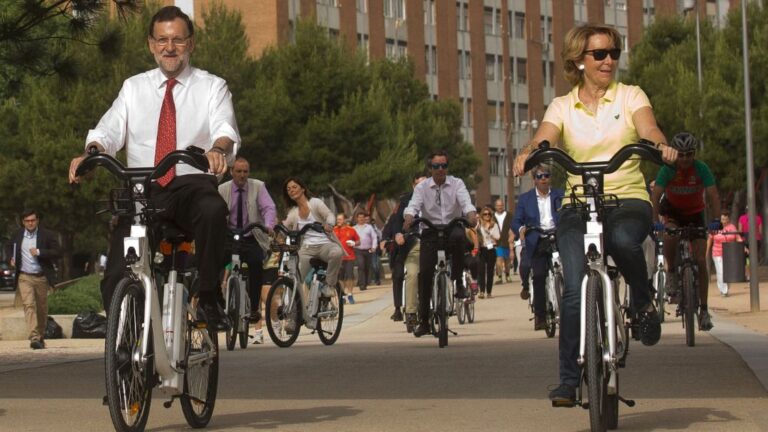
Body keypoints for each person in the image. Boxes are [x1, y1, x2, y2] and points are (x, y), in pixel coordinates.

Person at [512, 23, 677, 405]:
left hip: (627, 198)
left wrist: (660, 145)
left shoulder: (629, 96)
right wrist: (531, 151)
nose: (608, 61)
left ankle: (641, 299)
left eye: (613, 53)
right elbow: (546, 135)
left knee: (622, 240)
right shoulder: (562, 106)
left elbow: (648, 126)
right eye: (599, 54)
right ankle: (568, 380)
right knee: (572, 288)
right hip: (577, 204)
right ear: (579, 61)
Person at [68, 6, 239, 329]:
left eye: (177, 39)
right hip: (143, 192)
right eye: (162, 40)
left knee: (214, 210)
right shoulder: (134, 88)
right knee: (118, 273)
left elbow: (225, 129)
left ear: (191, 44)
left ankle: (208, 296)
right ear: (150, 44)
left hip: (191, 185)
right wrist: (92, 154)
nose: (169, 47)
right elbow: (109, 130)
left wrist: (218, 150)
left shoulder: (212, 86)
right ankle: (128, 346)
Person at [651, 132, 721, 330]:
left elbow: (713, 195)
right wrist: (655, 221)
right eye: (680, 155)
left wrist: (716, 220)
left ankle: (704, 310)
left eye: (688, 154)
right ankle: (672, 271)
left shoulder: (701, 169)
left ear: (694, 154)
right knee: (670, 234)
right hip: (673, 212)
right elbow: (656, 197)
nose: (684, 159)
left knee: (700, 259)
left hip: (695, 213)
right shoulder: (668, 169)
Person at [403, 150, 477, 338]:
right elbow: (413, 205)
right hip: (431, 230)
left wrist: (470, 215)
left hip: (452, 227)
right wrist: (409, 217)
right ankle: (425, 321)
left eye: (444, 166)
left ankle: (459, 282)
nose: (440, 170)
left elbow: (466, 202)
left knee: (460, 238)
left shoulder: (457, 183)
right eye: (436, 166)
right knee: (425, 274)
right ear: (430, 168)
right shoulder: (422, 188)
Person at [218, 156, 277, 321]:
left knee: (256, 264)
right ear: (231, 172)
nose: (242, 175)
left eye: (245, 171)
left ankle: (254, 308)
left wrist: (268, 225)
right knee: (214, 263)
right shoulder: (222, 189)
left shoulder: (258, 186)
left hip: (251, 236)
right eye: (238, 171)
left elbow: (269, 207)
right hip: (229, 236)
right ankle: (217, 301)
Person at [512, 164, 564, 330]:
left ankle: (571, 312)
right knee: (539, 275)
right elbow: (516, 221)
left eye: (546, 176)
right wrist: (521, 230)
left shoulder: (560, 195)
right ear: (534, 179)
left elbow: (570, 212)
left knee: (570, 272)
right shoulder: (525, 199)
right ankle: (540, 316)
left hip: (557, 237)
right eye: (540, 176)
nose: (544, 179)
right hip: (537, 239)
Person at [282, 177, 343, 299]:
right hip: (306, 249)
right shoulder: (293, 212)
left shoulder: (315, 203)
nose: (291, 191)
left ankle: (329, 285)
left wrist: (329, 224)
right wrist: (276, 232)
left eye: (294, 187)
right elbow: (284, 226)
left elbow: (329, 215)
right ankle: (293, 310)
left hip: (324, 245)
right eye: (288, 189)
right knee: (295, 279)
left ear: (303, 189)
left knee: (337, 253)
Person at [10, 209, 61, 349]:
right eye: (27, 221)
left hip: (41, 277)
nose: (30, 223)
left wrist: (39, 252)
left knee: (42, 309)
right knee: (29, 305)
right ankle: (33, 336)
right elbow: (11, 248)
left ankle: (40, 335)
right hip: (24, 276)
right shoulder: (17, 234)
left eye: (32, 220)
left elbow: (57, 252)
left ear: (37, 220)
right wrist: (12, 258)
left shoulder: (47, 235)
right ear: (23, 222)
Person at [381, 172, 428, 322]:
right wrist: (396, 235)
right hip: (410, 242)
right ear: (413, 186)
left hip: (432, 239)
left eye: (426, 183)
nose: (423, 187)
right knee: (400, 274)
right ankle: (401, 308)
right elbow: (395, 221)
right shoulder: (405, 201)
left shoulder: (437, 196)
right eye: (419, 184)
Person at [707, 211, 741, 297]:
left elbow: (737, 238)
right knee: (720, 272)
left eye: (726, 219)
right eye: (722, 219)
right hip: (717, 253)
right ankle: (724, 290)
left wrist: (743, 247)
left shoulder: (732, 227)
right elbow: (710, 240)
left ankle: (725, 288)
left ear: (728, 219)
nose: (724, 221)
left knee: (728, 272)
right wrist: (706, 251)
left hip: (729, 253)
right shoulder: (715, 227)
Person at [334, 213, 360, 304]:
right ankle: (342, 294)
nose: (338, 221)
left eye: (340, 219)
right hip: (338, 257)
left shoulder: (351, 230)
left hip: (349, 257)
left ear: (345, 220)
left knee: (349, 276)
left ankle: (350, 294)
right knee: (340, 277)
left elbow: (358, 241)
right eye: (337, 219)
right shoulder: (334, 230)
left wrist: (354, 243)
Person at [476, 205, 500, 298]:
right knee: (481, 271)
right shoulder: (479, 225)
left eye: (489, 214)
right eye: (485, 214)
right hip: (482, 249)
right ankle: (481, 292)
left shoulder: (494, 225)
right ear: (482, 215)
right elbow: (475, 233)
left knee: (490, 272)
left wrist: (489, 232)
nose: (487, 216)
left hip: (491, 249)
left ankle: (489, 292)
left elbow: (498, 237)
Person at [353, 211, 377, 292]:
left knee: (367, 266)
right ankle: (361, 284)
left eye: (362, 217)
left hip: (368, 250)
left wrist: (374, 247)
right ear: (357, 219)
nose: (361, 219)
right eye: (359, 217)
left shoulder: (369, 227)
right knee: (361, 265)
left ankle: (366, 282)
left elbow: (374, 237)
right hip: (358, 250)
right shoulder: (354, 228)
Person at [738, 207, 763, 281]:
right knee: (754, 258)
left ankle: (748, 275)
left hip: (745, 240)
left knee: (747, 259)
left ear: (745, 211)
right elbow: (760, 231)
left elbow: (740, 230)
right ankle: (754, 275)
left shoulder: (741, 218)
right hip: (756, 240)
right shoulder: (758, 218)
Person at [493, 199, 514, 282]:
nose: (500, 207)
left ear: (503, 206)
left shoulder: (509, 215)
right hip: (497, 241)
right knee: (499, 258)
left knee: (507, 260)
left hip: (507, 240)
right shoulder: (492, 216)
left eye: (501, 205)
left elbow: (513, 226)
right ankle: (499, 276)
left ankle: (508, 274)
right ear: (495, 206)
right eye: (498, 205)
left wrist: (512, 237)